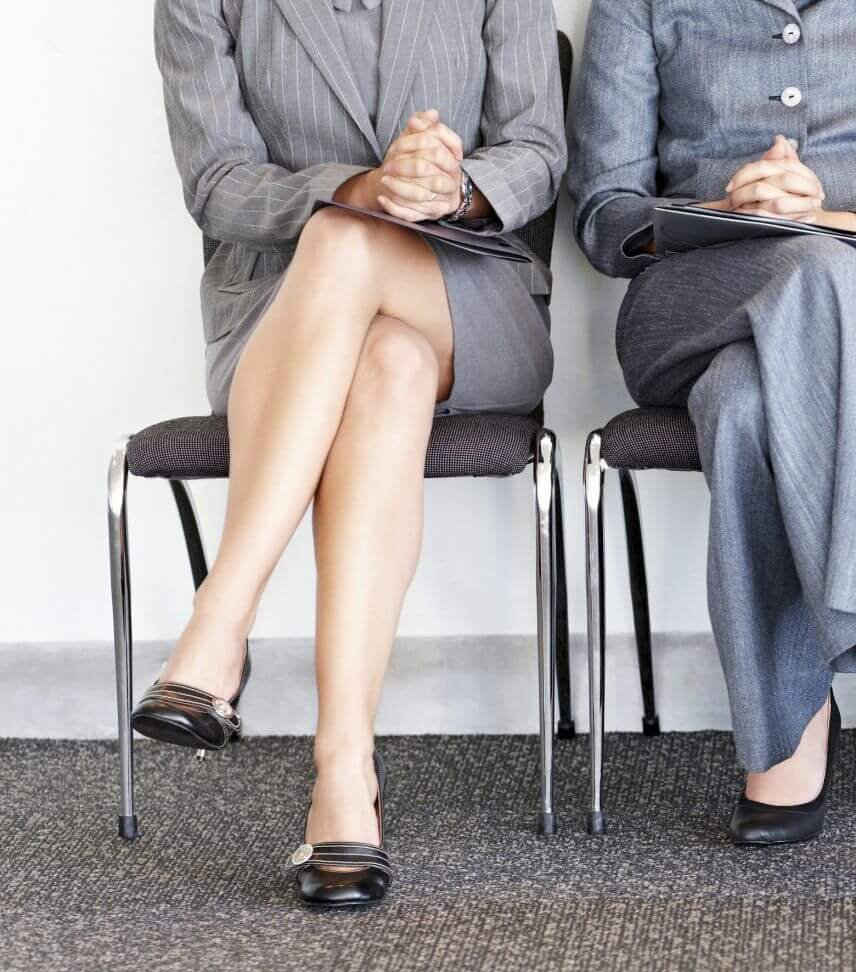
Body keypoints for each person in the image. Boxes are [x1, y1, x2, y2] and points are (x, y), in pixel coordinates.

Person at [569, 0, 856, 845]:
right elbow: (605, 213)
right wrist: (732, 209)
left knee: (750, 397)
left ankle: (783, 734)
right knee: (817, 278)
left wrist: (826, 226)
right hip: (694, 300)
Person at [142, 0, 566, 907]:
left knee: (359, 255)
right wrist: (360, 188)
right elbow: (216, 181)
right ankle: (343, 769)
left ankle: (220, 621)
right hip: (282, 318)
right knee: (389, 362)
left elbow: (538, 146)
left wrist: (447, 190)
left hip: (464, 291)